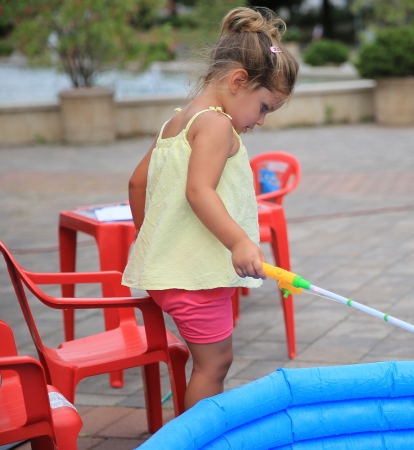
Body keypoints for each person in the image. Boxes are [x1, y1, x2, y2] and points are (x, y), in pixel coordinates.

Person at [122, 7, 298, 408]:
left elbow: (137, 183)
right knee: (214, 365)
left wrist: (154, 247)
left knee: (208, 362)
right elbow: (199, 191)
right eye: (265, 106)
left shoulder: (178, 121)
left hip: (172, 272)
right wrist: (238, 241)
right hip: (195, 276)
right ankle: (196, 439)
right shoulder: (217, 125)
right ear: (239, 81)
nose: (262, 120)